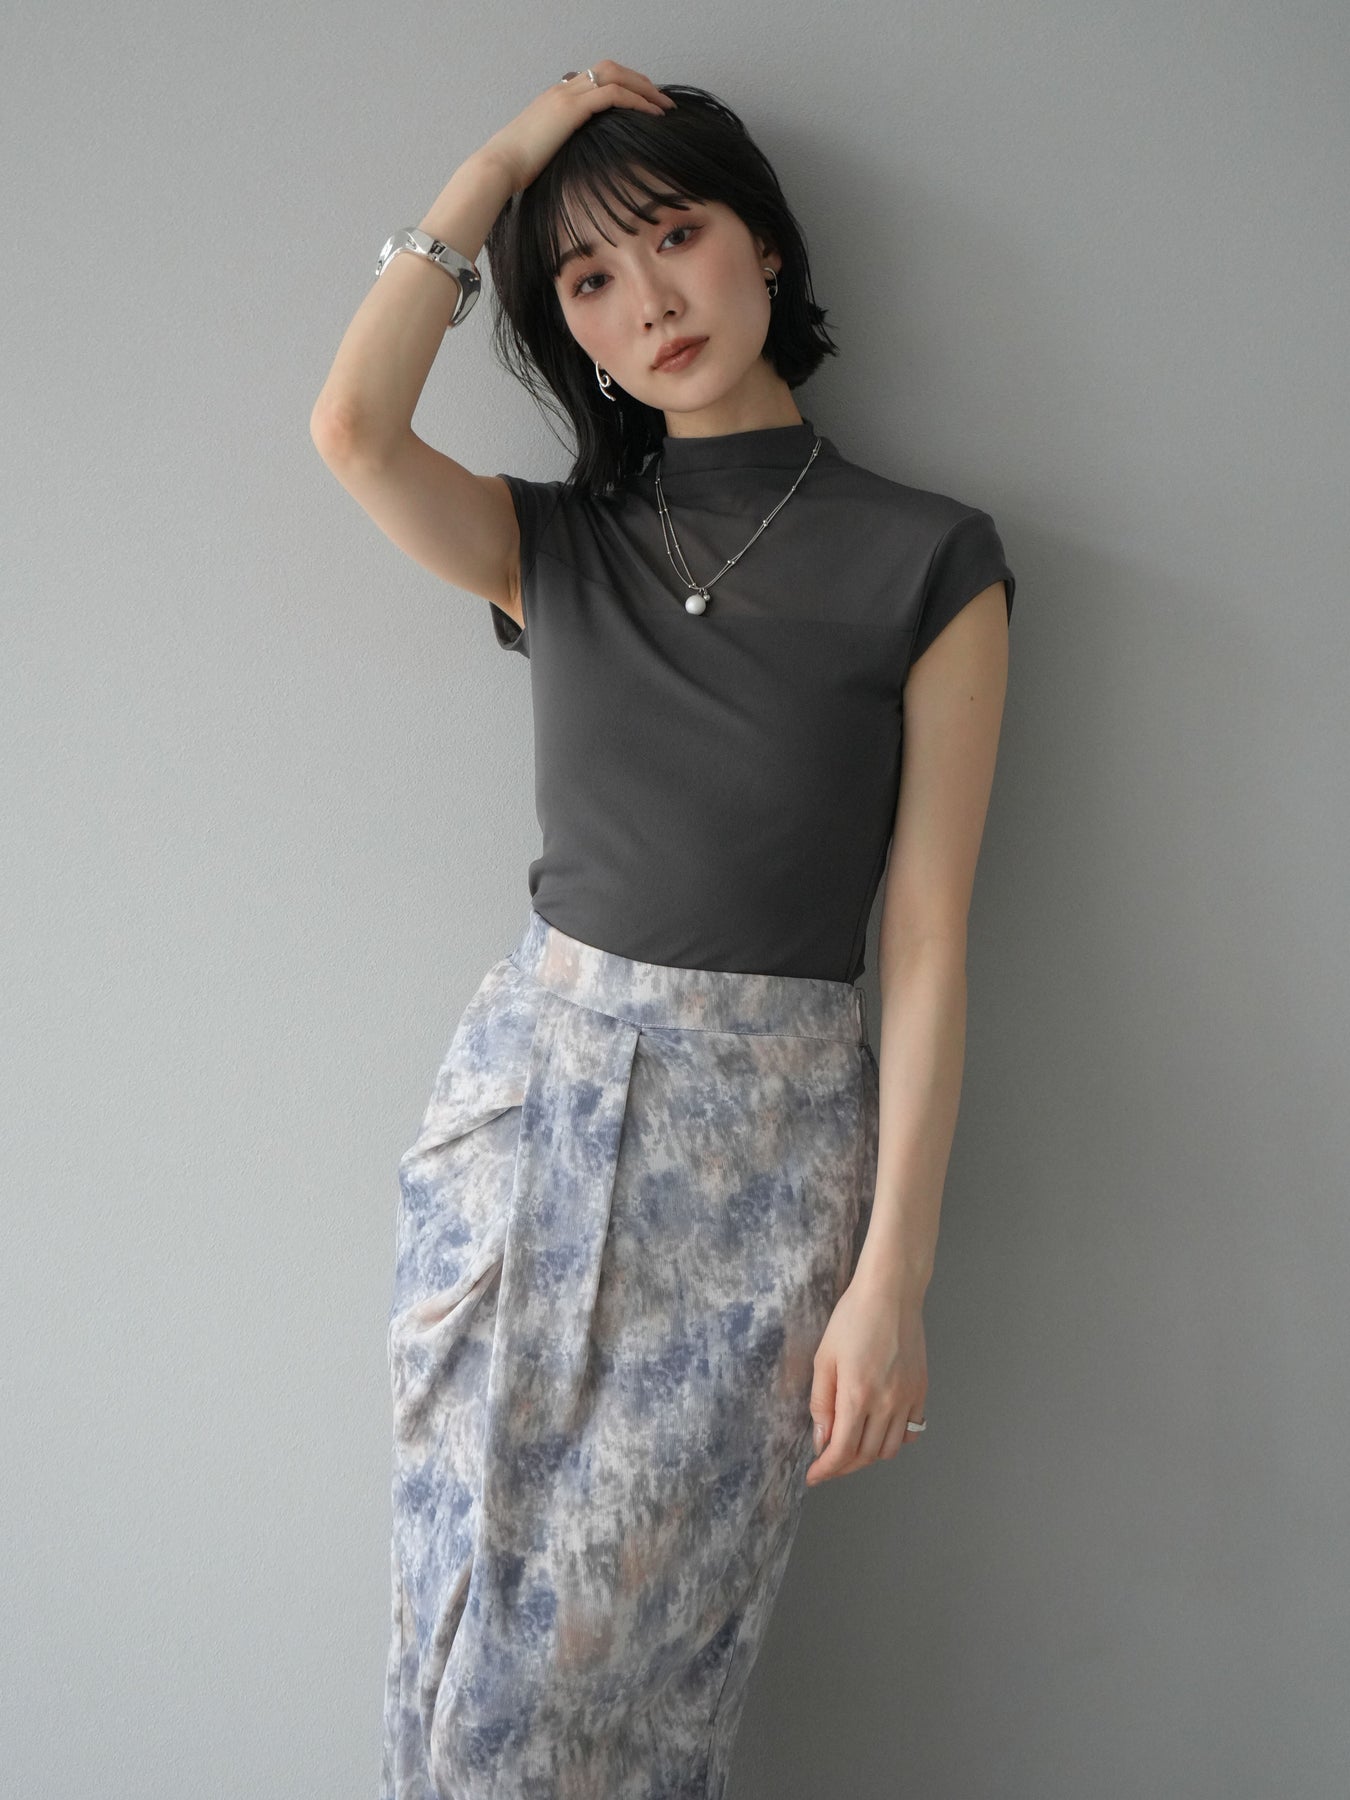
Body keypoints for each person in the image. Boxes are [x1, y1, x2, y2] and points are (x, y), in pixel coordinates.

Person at [311, 61, 1015, 1800]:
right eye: (589, 278)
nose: (648, 300)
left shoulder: (929, 560)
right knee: (454, 1668)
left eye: (676, 236)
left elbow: (927, 937)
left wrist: (892, 1280)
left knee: (619, 1696)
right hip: (520, 1130)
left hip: (763, 1168)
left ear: (761, 244)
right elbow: (354, 433)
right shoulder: (559, 546)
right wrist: (502, 160)